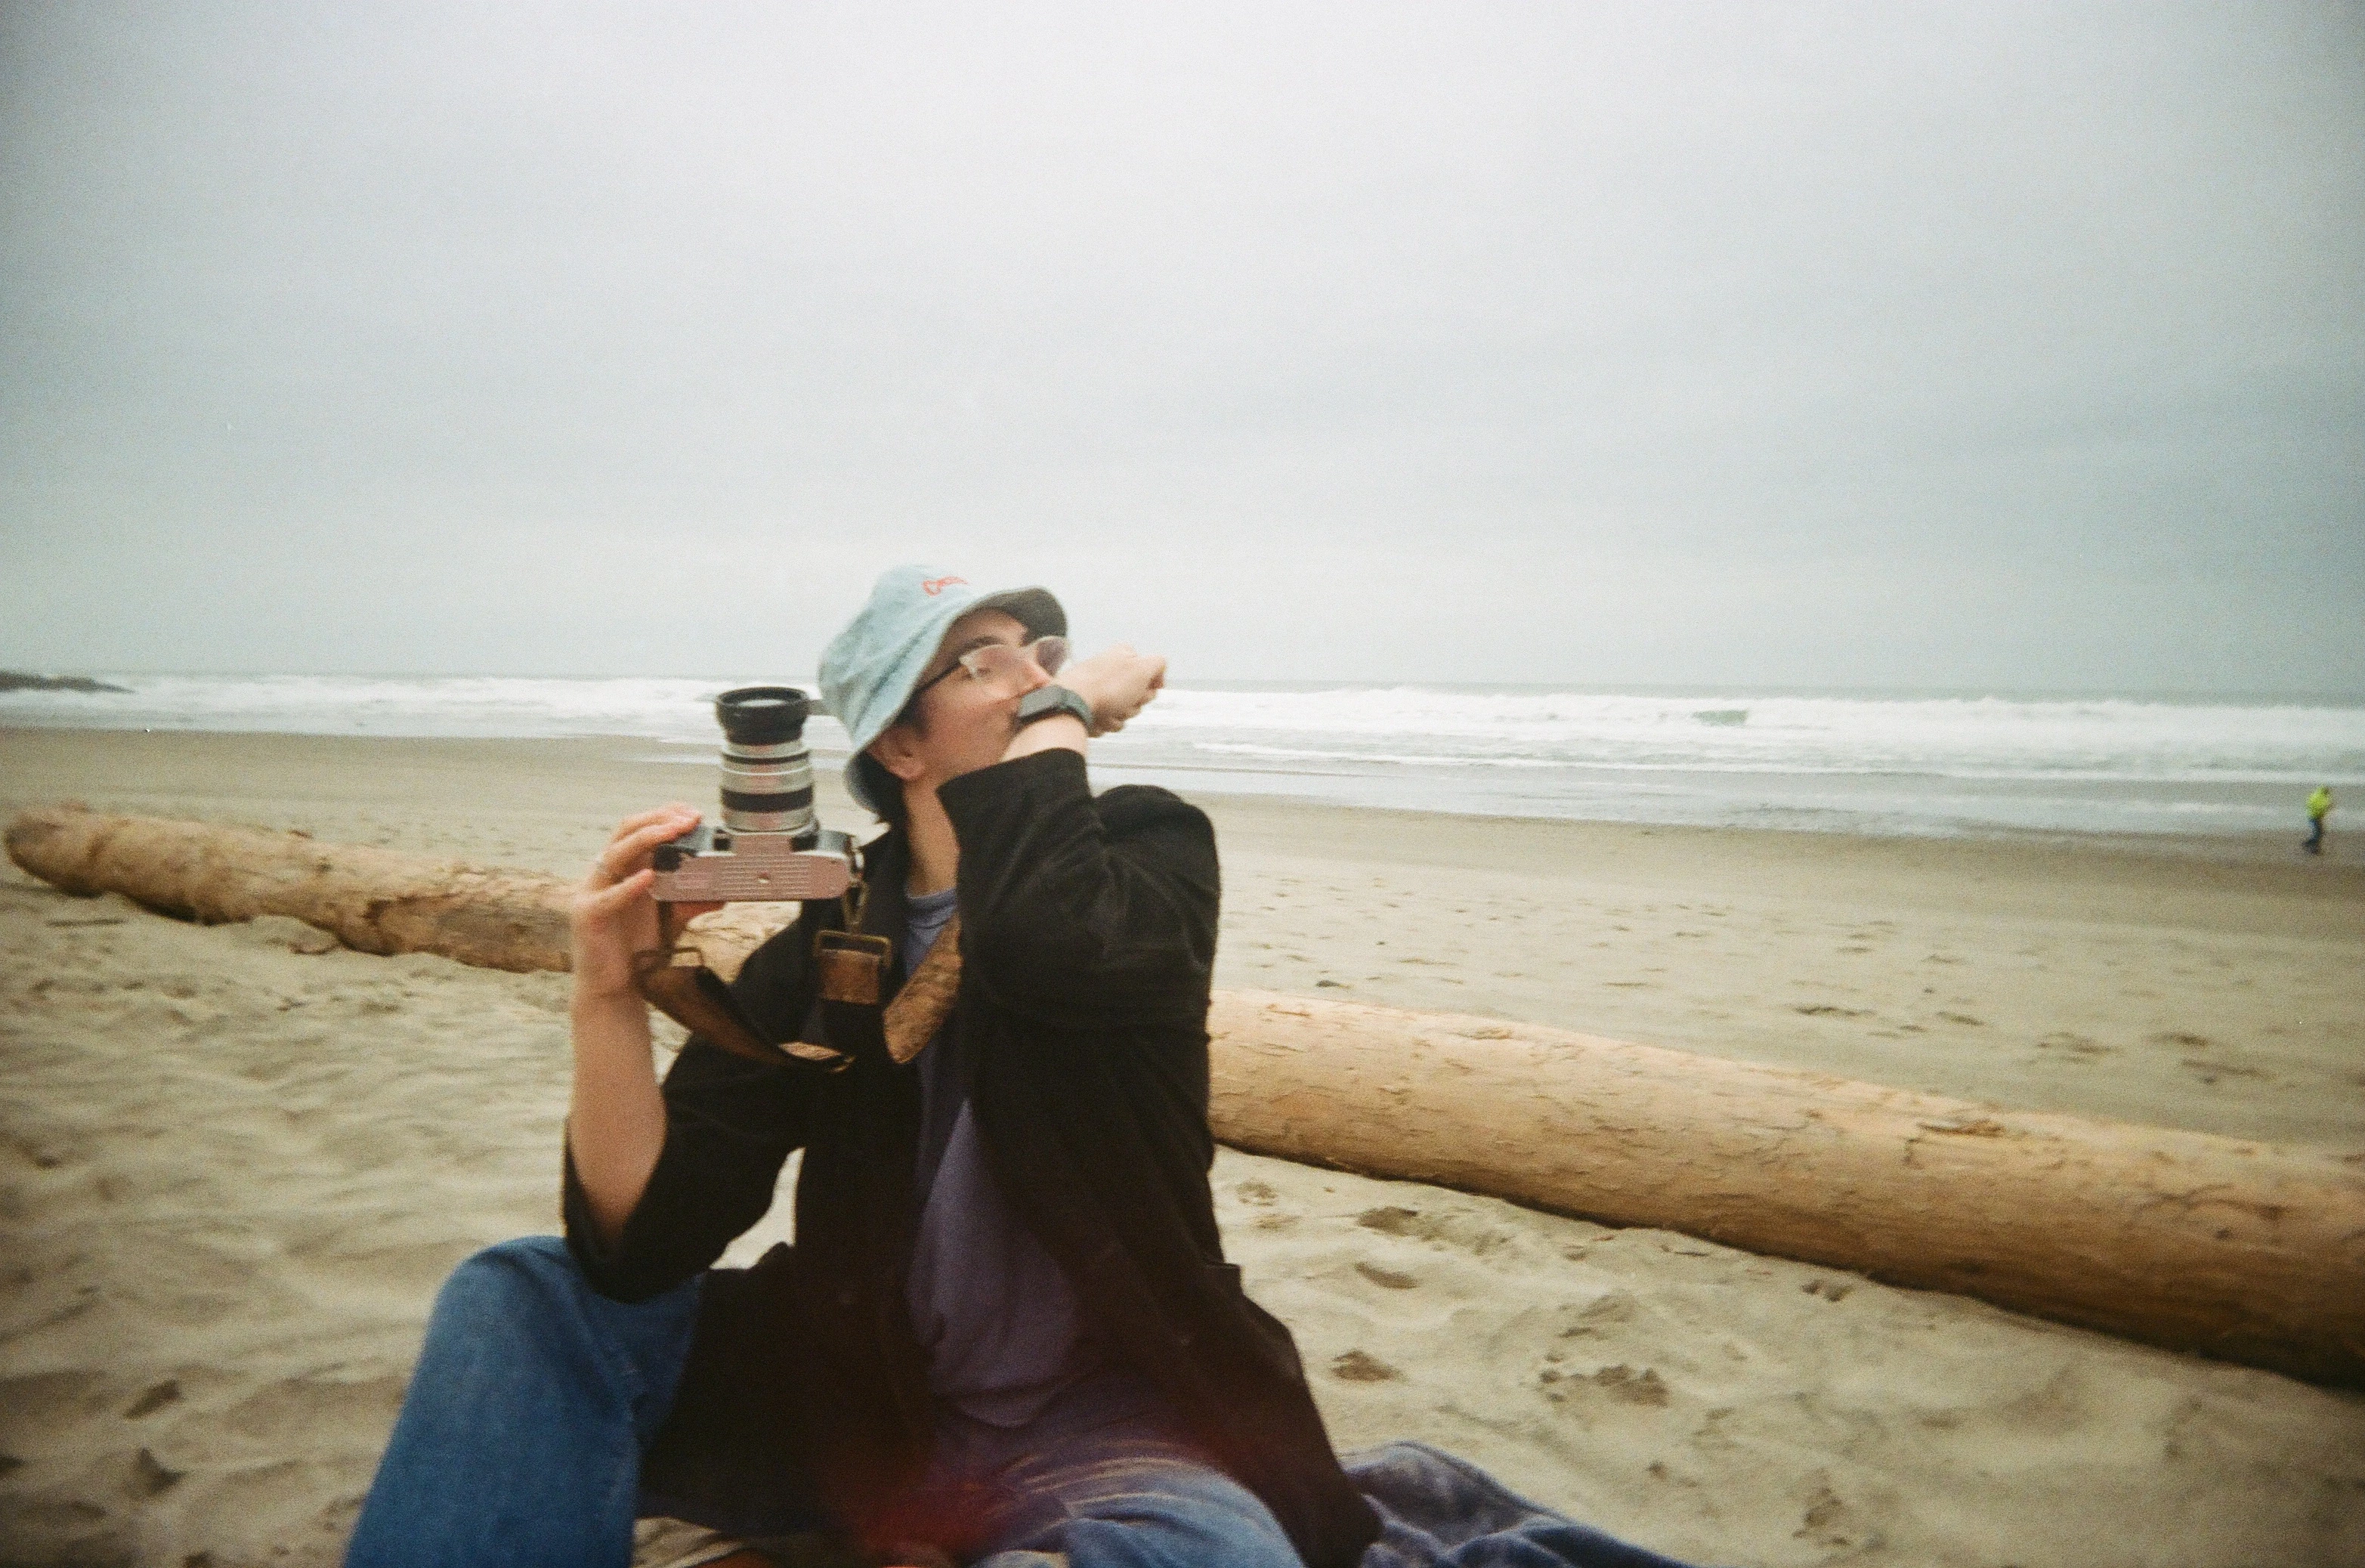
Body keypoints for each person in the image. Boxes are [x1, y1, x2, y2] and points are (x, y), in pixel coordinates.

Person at [345, 566, 1381, 1568]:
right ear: (898, 741)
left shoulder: (1149, 849)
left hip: (1104, 1415)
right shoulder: (837, 929)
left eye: (1043, 657)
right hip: (859, 1402)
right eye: (986, 664)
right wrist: (608, 992)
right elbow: (643, 1242)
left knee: (1212, 1551)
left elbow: (1047, 938)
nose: (1031, 680)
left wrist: (1059, 715)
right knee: (524, 1288)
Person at [2305, 785, 2333, 855]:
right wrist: (2328, 807)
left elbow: (2308, 804)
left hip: (2314, 816)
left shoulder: (2316, 796)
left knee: (2319, 832)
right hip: (2315, 817)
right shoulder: (2321, 798)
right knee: (2319, 833)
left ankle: (2311, 845)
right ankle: (2312, 846)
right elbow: (2322, 808)